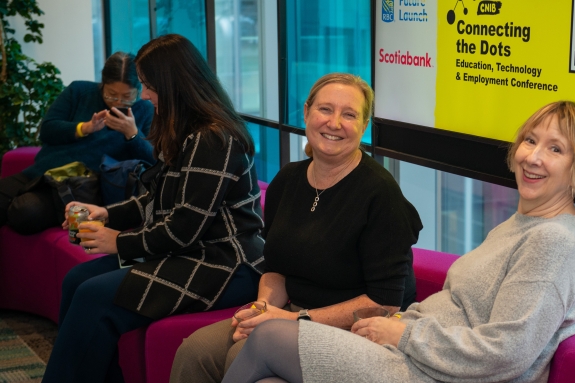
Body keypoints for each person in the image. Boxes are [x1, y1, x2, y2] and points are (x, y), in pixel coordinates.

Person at [220, 100, 575, 383]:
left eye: (555, 149)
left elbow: (506, 353)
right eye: (530, 141)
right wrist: (401, 327)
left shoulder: (553, 242)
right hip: (417, 355)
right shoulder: (525, 223)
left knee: (268, 338)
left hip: (432, 373)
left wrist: (403, 333)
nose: (533, 158)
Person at [169, 73, 422, 383]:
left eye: (349, 114)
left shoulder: (380, 194)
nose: (334, 123)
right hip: (290, 312)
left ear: (363, 126)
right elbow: (275, 268)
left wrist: (292, 319)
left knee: (240, 355)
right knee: (193, 351)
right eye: (325, 109)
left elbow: (385, 302)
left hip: (353, 330)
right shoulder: (288, 179)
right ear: (306, 113)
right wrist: (262, 309)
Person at [40, 34, 265, 383]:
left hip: (225, 263)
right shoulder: (184, 129)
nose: (143, 95)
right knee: (77, 280)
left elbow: (183, 227)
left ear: (173, 84)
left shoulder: (214, 138)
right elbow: (155, 195)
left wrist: (119, 241)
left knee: (92, 296)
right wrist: (107, 213)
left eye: (148, 86)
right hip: (189, 251)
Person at [0, 51, 155, 234]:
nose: (118, 103)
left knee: (25, 213)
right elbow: (47, 130)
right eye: (111, 95)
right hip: (43, 173)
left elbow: (152, 159)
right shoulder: (79, 91)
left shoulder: (144, 109)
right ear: (102, 84)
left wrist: (132, 134)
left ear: (138, 91)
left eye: (127, 97)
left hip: (83, 188)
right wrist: (84, 128)